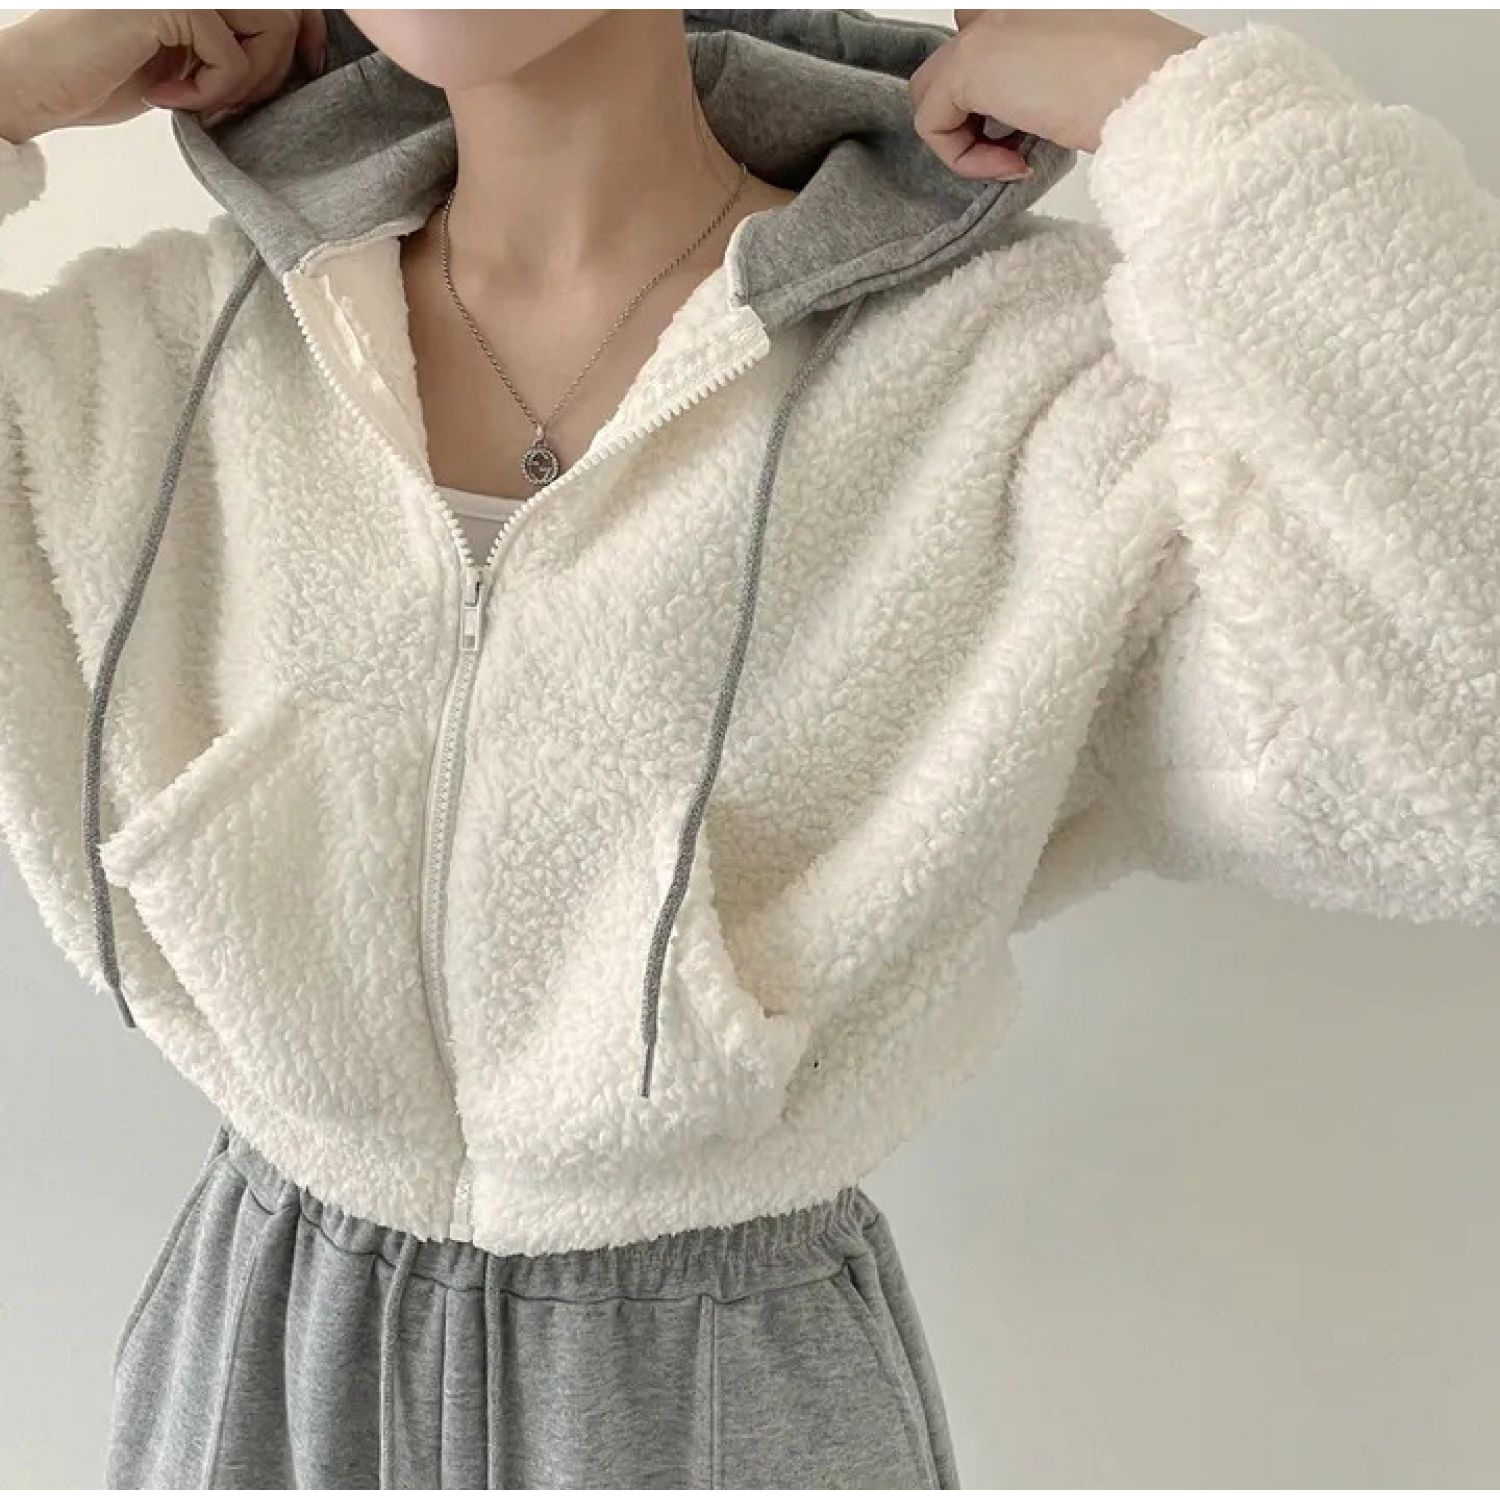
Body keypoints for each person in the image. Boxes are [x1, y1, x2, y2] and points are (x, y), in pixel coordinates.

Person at [0, 6, 1494, 1489]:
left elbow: (1454, 753)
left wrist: (1191, 111)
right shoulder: (161, 355)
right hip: (266, 1359)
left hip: (720, 1391)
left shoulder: (1008, 374)